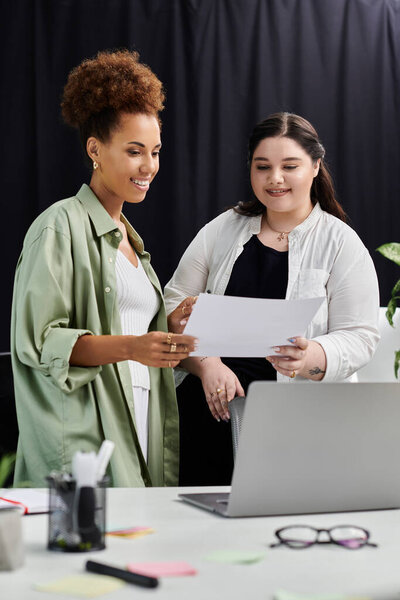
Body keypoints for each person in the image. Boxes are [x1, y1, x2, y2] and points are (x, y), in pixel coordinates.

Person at [11, 50, 197, 487]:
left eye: (155, 151)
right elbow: (40, 342)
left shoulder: (131, 239)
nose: (148, 166)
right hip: (88, 429)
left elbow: (120, 323)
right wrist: (134, 346)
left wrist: (166, 327)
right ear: (95, 149)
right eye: (134, 151)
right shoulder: (59, 226)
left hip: (140, 415)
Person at [164, 112, 380, 486]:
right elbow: (172, 303)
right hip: (209, 412)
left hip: (294, 423)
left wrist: (309, 356)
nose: (274, 178)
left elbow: (361, 336)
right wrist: (207, 363)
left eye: (289, 166)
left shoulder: (340, 243)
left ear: (315, 166)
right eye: (262, 166)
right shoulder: (223, 228)